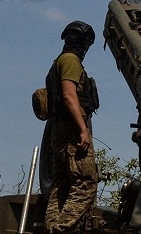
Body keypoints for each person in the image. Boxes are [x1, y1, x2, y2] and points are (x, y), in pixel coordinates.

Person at [44, 21, 99, 233]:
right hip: (71, 131)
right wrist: (83, 129)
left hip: (59, 131)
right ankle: (61, 229)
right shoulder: (70, 61)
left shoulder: (60, 59)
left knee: (61, 186)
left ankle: (52, 228)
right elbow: (69, 95)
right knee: (86, 183)